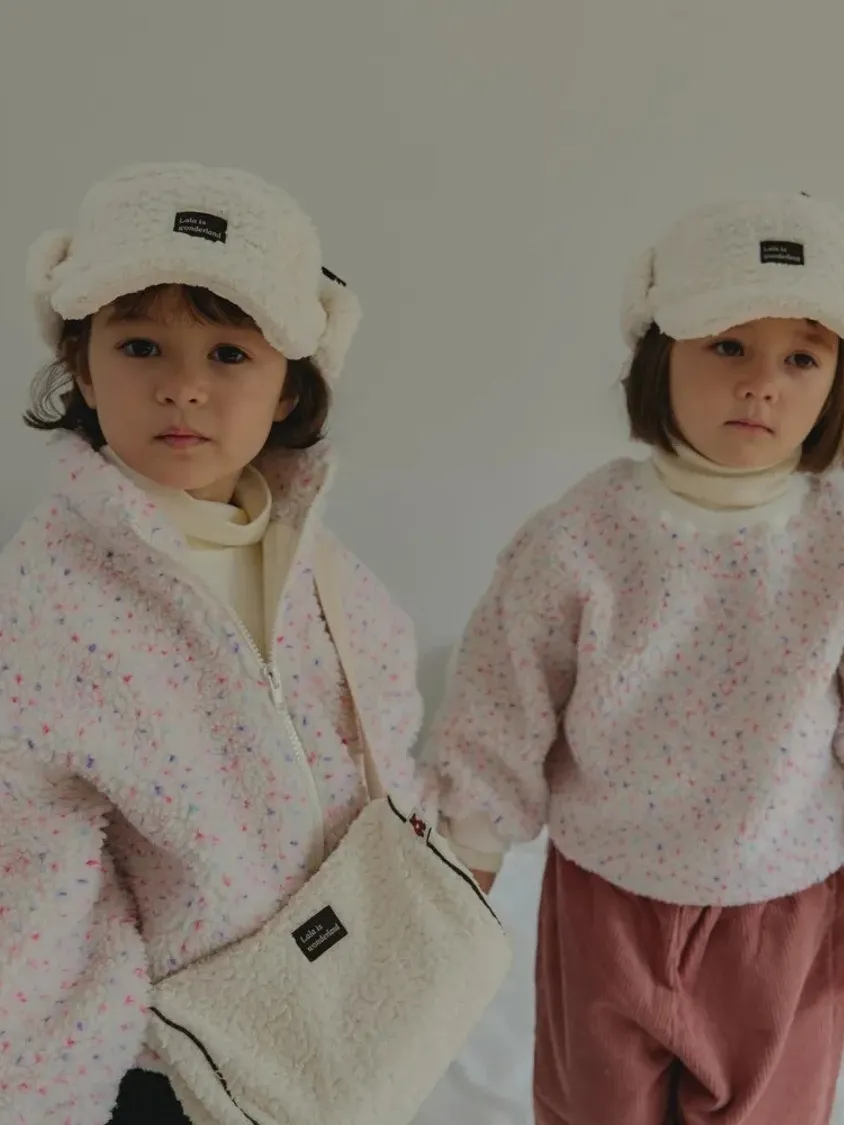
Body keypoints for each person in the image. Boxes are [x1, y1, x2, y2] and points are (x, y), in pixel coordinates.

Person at [0, 162, 423, 1124]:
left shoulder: (322, 567)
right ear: (83, 367)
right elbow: (29, 869)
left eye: (229, 353)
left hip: (342, 1006)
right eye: (141, 345)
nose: (184, 387)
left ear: (289, 388)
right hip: (169, 1055)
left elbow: (388, 742)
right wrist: (49, 1087)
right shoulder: (48, 600)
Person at [423, 192, 844, 1125]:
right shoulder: (583, 534)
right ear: (662, 353)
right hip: (606, 899)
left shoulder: (833, 543)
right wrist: (467, 862)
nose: (761, 384)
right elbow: (502, 700)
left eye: (801, 357)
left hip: (783, 904)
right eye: (727, 345)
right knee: (591, 1109)